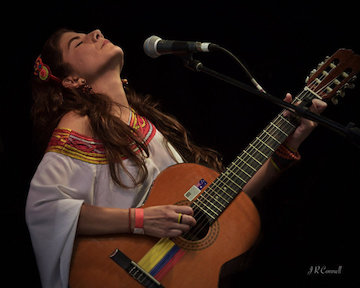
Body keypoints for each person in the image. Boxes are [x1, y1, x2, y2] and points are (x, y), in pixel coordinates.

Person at [25, 28, 327, 288]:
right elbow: (46, 209)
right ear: (71, 80)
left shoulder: (148, 126)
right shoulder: (79, 122)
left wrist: (284, 151)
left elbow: (217, 207)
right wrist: (140, 221)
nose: (96, 33)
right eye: (78, 42)